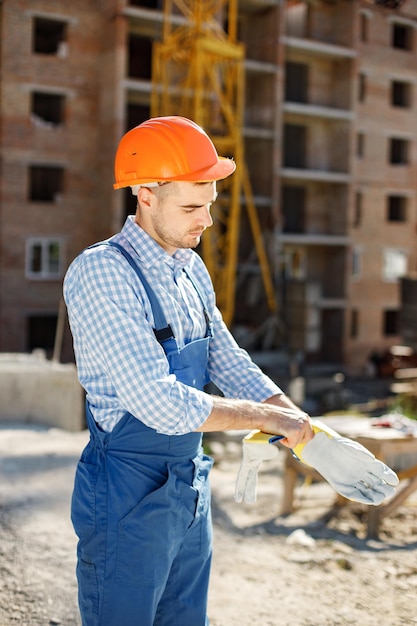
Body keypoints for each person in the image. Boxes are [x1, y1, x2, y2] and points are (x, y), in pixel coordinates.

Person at [63, 115, 314, 626]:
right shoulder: (103, 272)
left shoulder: (189, 266)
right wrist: (261, 420)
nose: (207, 220)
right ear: (145, 194)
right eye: (192, 206)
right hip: (126, 496)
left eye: (211, 205)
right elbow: (158, 401)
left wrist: (290, 414)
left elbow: (225, 356)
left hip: (187, 487)